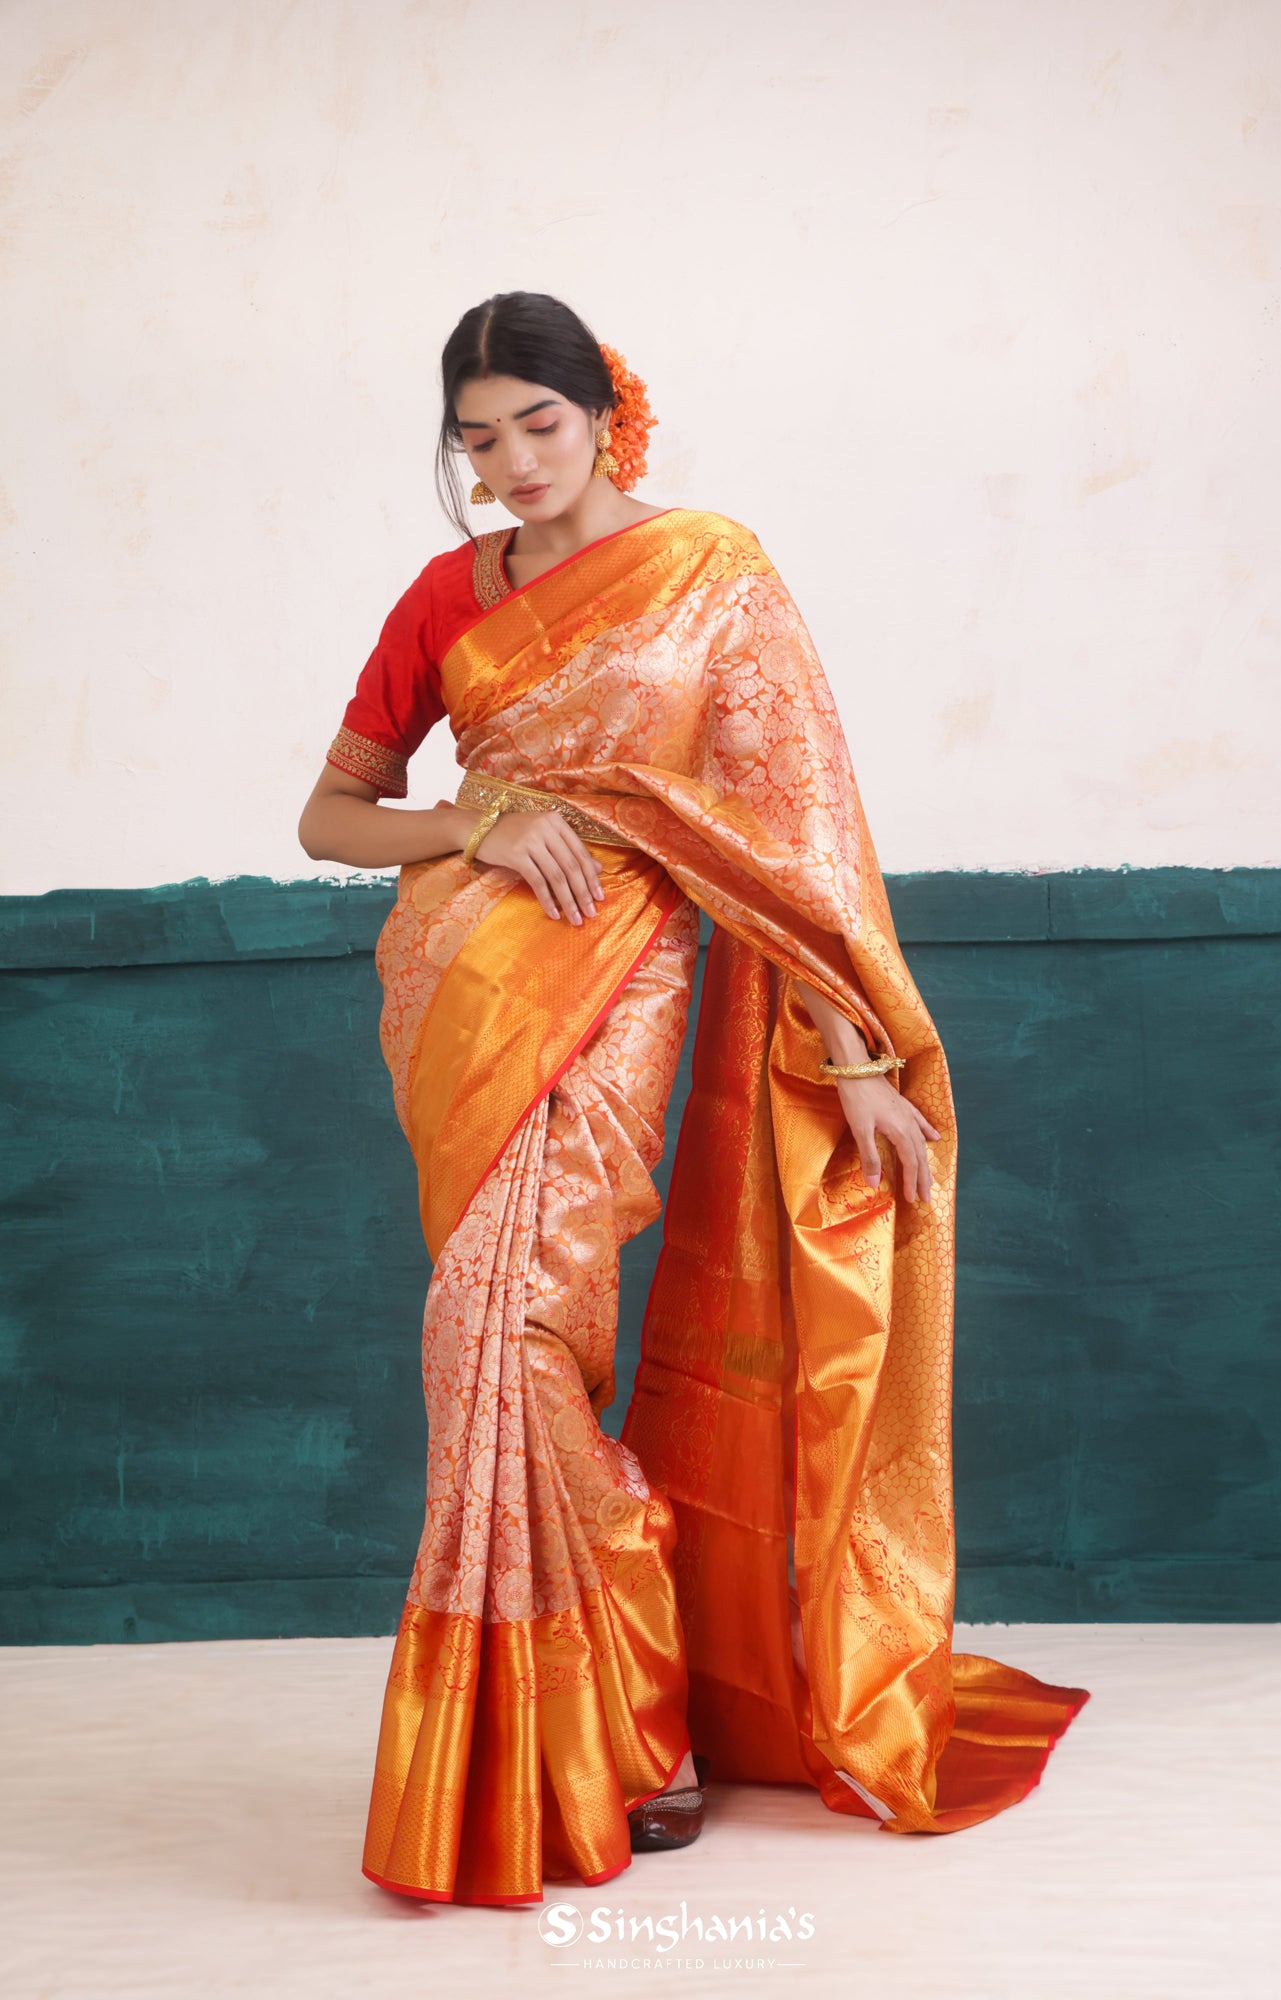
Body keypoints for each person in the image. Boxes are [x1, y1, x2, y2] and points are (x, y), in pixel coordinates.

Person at [297, 291, 1089, 1908]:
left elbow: (783, 847)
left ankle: (632, 1697)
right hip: (454, 991)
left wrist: (855, 1060)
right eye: (478, 438)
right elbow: (332, 817)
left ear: (607, 411)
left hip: (620, 981)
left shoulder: (708, 574)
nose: (513, 462)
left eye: (538, 423)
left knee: (511, 1330)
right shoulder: (443, 596)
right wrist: (475, 817)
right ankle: (582, 1724)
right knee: (474, 1346)